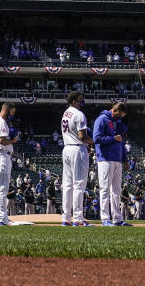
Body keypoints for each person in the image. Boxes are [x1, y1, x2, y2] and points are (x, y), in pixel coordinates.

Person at [95, 101, 130, 226]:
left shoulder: (117, 123)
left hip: (117, 159)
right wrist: (112, 138)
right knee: (105, 189)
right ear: (114, 110)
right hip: (105, 158)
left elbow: (121, 142)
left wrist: (124, 159)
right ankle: (105, 218)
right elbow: (96, 138)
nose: (120, 117)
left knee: (116, 191)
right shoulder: (102, 119)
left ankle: (117, 218)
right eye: (119, 115)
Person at [60, 91, 92, 226]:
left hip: (67, 148)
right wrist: (94, 141)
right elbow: (82, 137)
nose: (81, 102)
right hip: (78, 149)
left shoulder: (66, 113)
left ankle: (66, 218)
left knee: (67, 185)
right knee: (79, 184)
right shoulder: (79, 114)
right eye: (79, 100)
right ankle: (78, 218)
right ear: (73, 101)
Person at [0, 102, 19, 226]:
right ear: (6, 110)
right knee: (2, 188)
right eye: (11, 112)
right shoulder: (1, 122)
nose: (12, 115)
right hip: (1, 155)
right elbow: (2, 140)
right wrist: (13, 140)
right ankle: (1, 218)